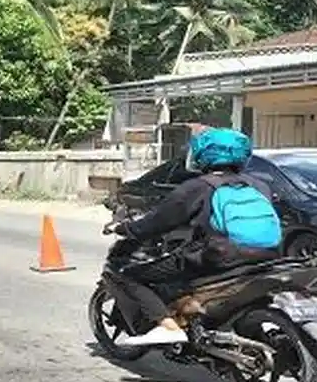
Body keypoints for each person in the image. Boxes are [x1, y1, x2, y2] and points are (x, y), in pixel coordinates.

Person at [111, 127, 283, 347]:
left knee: (128, 274)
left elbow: (159, 221)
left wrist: (128, 229)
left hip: (219, 258)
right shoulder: (259, 185)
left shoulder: (197, 187)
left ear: (203, 155)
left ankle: (168, 327)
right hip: (269, 255)